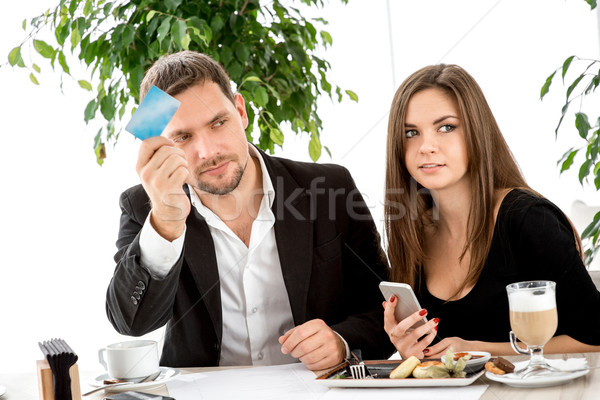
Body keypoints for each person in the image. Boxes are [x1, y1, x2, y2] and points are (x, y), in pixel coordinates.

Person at [106, 50, 393, 370]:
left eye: (218, 122)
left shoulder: (328, 187)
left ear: (240, 111)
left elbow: (384, 310)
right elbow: (131, 323)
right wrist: (166, 222)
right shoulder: (143, 205)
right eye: (183, 137)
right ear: (162, 146)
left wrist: (341, 342)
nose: (208, 151)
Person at [382, 64, 600, 359]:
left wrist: (476, 350)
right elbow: (439, 357)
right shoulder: (413, 233)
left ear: (476, 132)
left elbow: (594, 335)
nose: (426, 146)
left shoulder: (528, 219)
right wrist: (411, 346)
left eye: (446, 127)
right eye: (411, 132)